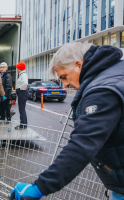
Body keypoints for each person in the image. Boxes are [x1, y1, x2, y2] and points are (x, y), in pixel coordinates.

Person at [10, 42, 124, 200]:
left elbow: (83, 144)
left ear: (79, 65)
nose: (64, 84)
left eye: (64, 76)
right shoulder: (116, 73)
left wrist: (39, 188)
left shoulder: (103, 90)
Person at [14, 62, 29, 130]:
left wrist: (20, 89)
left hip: (22, 93)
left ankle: (22, 125)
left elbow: (25, 83)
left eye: (17, 67)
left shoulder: (23, 75)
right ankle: (24, 125)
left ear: (19, 68)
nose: (16, 69)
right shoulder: (22, 74)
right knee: (22, 110)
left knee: (21, 110)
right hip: (22, 93)